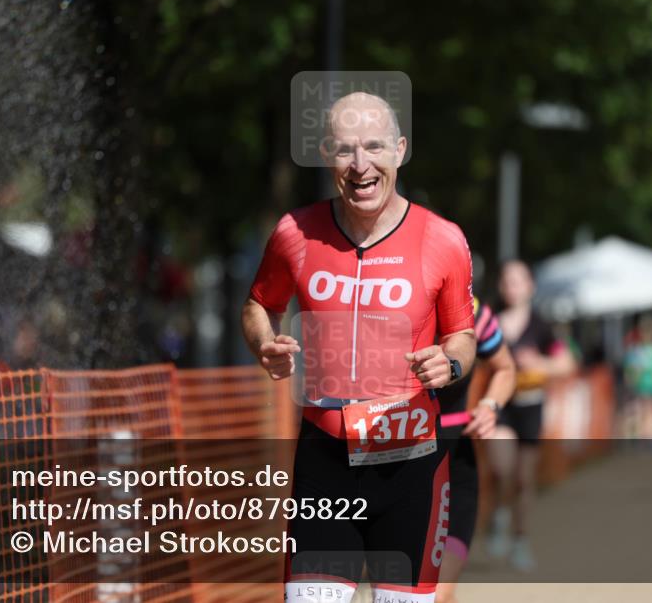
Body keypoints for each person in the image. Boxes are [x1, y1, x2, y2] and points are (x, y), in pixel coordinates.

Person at [242, 92, 480, 602]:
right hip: (324, 464)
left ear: (399, 150)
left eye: (374, 147)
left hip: (411, 467)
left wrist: (452, 361)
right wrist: (265, 344)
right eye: (346, 150)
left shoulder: (443, 239)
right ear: (328, 154)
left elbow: (463, 333)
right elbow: (258, 305)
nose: (360, 165)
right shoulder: (295, 232)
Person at [485, 260, 576, 573]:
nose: (512, 286)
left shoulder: (541, 326)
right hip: (500, 405)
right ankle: (498, 511)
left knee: (525, 479)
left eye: (518, 280)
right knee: (501, 466)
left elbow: (567, 363)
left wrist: (538, 364)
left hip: (531, 407)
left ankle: (520, 540)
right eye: (507, 281)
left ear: (530, 287)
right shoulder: (489, 321)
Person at [434, 298, 516, 603]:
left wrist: (489, 406)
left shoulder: (474, 311)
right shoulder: (387, 301)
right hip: (389, 461)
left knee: (440, 593)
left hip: (455, 456)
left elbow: (505, 368)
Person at [623, 315, 652, 438]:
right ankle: (645, 438)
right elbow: (630, 372)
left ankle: (649, 438)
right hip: (641, 389)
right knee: (642, 414)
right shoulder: (637, 350)